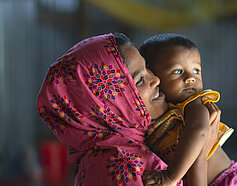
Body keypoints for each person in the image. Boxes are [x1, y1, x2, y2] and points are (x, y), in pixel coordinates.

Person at [37, 33, 219, 185]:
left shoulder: (133, 144)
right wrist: (200, 155)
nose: (156, 79)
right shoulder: (121, 168)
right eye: (140, 80)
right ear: (108, 103)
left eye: (148, 68)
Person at [140, 33, 237, 185]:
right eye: (178, 71)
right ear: (153, 76)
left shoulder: (192, 104)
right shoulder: (163, 112)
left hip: (228, 181)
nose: (190, 78)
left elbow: (199, 130)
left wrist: (171, 176)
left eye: (196, 70)